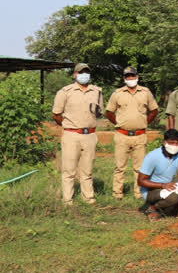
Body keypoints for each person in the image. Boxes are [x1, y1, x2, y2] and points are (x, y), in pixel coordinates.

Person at [52, 62, 104, 205]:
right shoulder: (65, 92)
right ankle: (67, 200)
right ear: (75, 74)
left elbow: (99, 113)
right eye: (81, 72)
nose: (84, 75)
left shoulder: (96, 91)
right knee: (69, 170)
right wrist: (67, 126)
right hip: (71, 135)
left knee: (87, 170)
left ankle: (88, 199)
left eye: (86, 72)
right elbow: (56, 114)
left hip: (90, 135)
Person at [106, 66, 159, 200]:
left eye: (132, 76)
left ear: (137, 76)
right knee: (119, 167)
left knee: (140, 167)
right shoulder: (117, 93)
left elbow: (154, 110)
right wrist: (119, 123)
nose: (130, 78)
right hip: (122, 135)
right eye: (128, 76)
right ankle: (117, 193)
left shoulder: (145, 92)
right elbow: (109, 112)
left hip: (140, 136)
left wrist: (145, 122)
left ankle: (138, 193)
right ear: (124, 78)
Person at [138, 128, 178, 221]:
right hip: (152, 190)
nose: (175, 146)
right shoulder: (152, 156)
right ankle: (153, 209)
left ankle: (177, 209)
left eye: (177, 143)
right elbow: (141, 181)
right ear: (164, 142)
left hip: (169, 183)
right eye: (172, 142)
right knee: (173, 197)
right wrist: (163, 185)